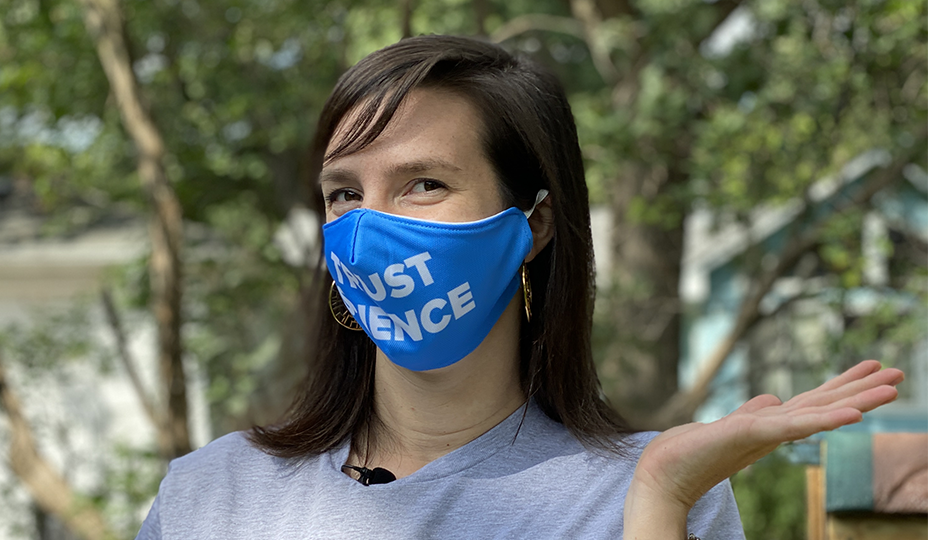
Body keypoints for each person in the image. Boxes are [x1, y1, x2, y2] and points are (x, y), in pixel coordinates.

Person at [136, 35, 903, 539]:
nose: (368, 229)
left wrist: (658, 502)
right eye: (345, 193)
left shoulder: (660, 492)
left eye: (424, 183)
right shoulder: (211, 495)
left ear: (533, 223)